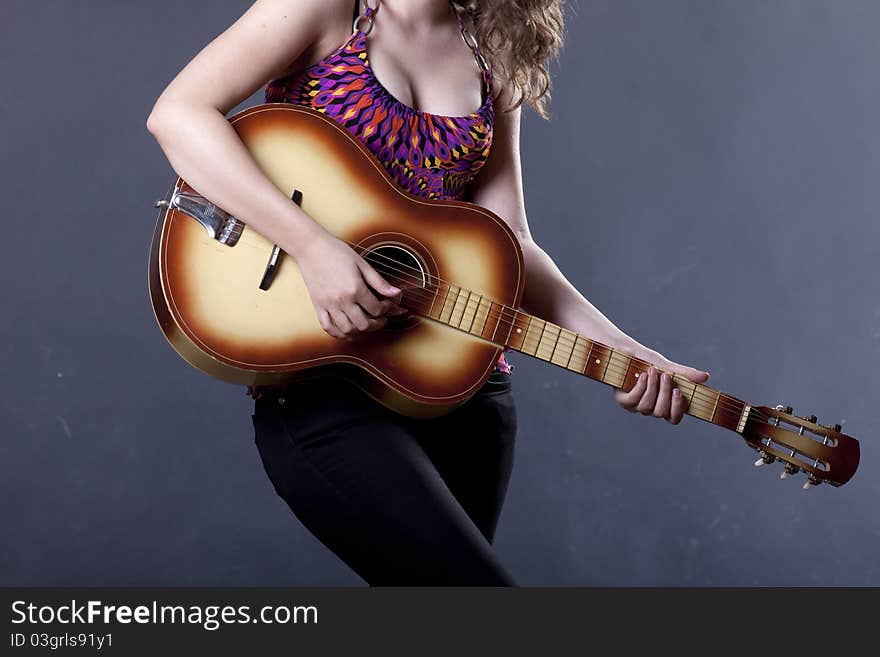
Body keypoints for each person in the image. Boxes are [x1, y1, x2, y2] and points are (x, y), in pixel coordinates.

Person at [146, 0, 710, 585]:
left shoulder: (493, 46)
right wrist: (312, 247)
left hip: (465, 386)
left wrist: (626, 353)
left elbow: (510, 242)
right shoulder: (324, 9)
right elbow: (178, 114)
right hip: (329, 384)